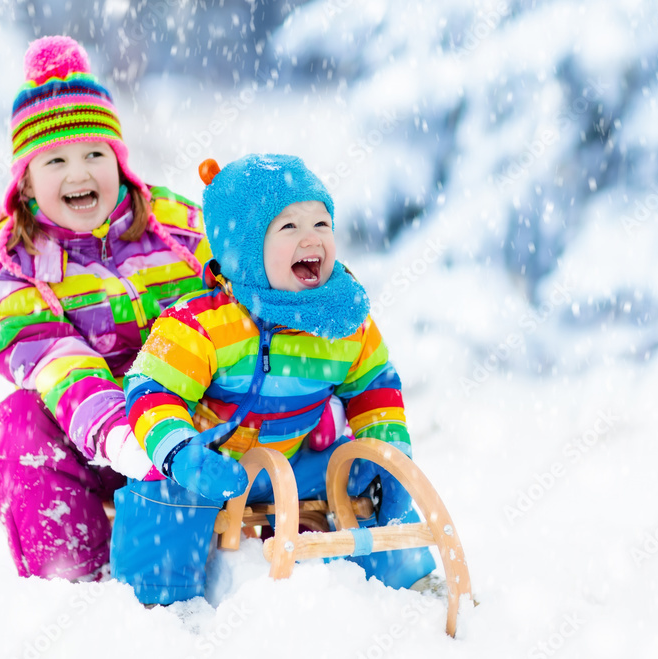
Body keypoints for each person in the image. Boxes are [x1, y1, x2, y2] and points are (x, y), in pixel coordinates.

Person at [111, 153, 437, 605]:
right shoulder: (200, 323)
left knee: (363, 470)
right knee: (162, 491)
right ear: (244, 250)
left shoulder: (343, 323)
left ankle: (410, 584)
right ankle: (155, 602)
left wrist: (388, 448)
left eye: (322, 224)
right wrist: (181, 453)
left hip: (296, 462)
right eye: (289, 227)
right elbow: (151, 389)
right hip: (212, 467)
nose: (312, 238)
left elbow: (374, 385)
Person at [0, 35, 212, 582]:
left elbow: (236, 300)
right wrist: (125, 438)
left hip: (197, 427)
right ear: (27, 182)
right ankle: (76, 579)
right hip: (97, 442)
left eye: (94, 154)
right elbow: (55, 358)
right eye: (55, 159)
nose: (79, 174)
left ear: (120, 162)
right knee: (14, 426)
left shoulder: (176, 230)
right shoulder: (16, 264)